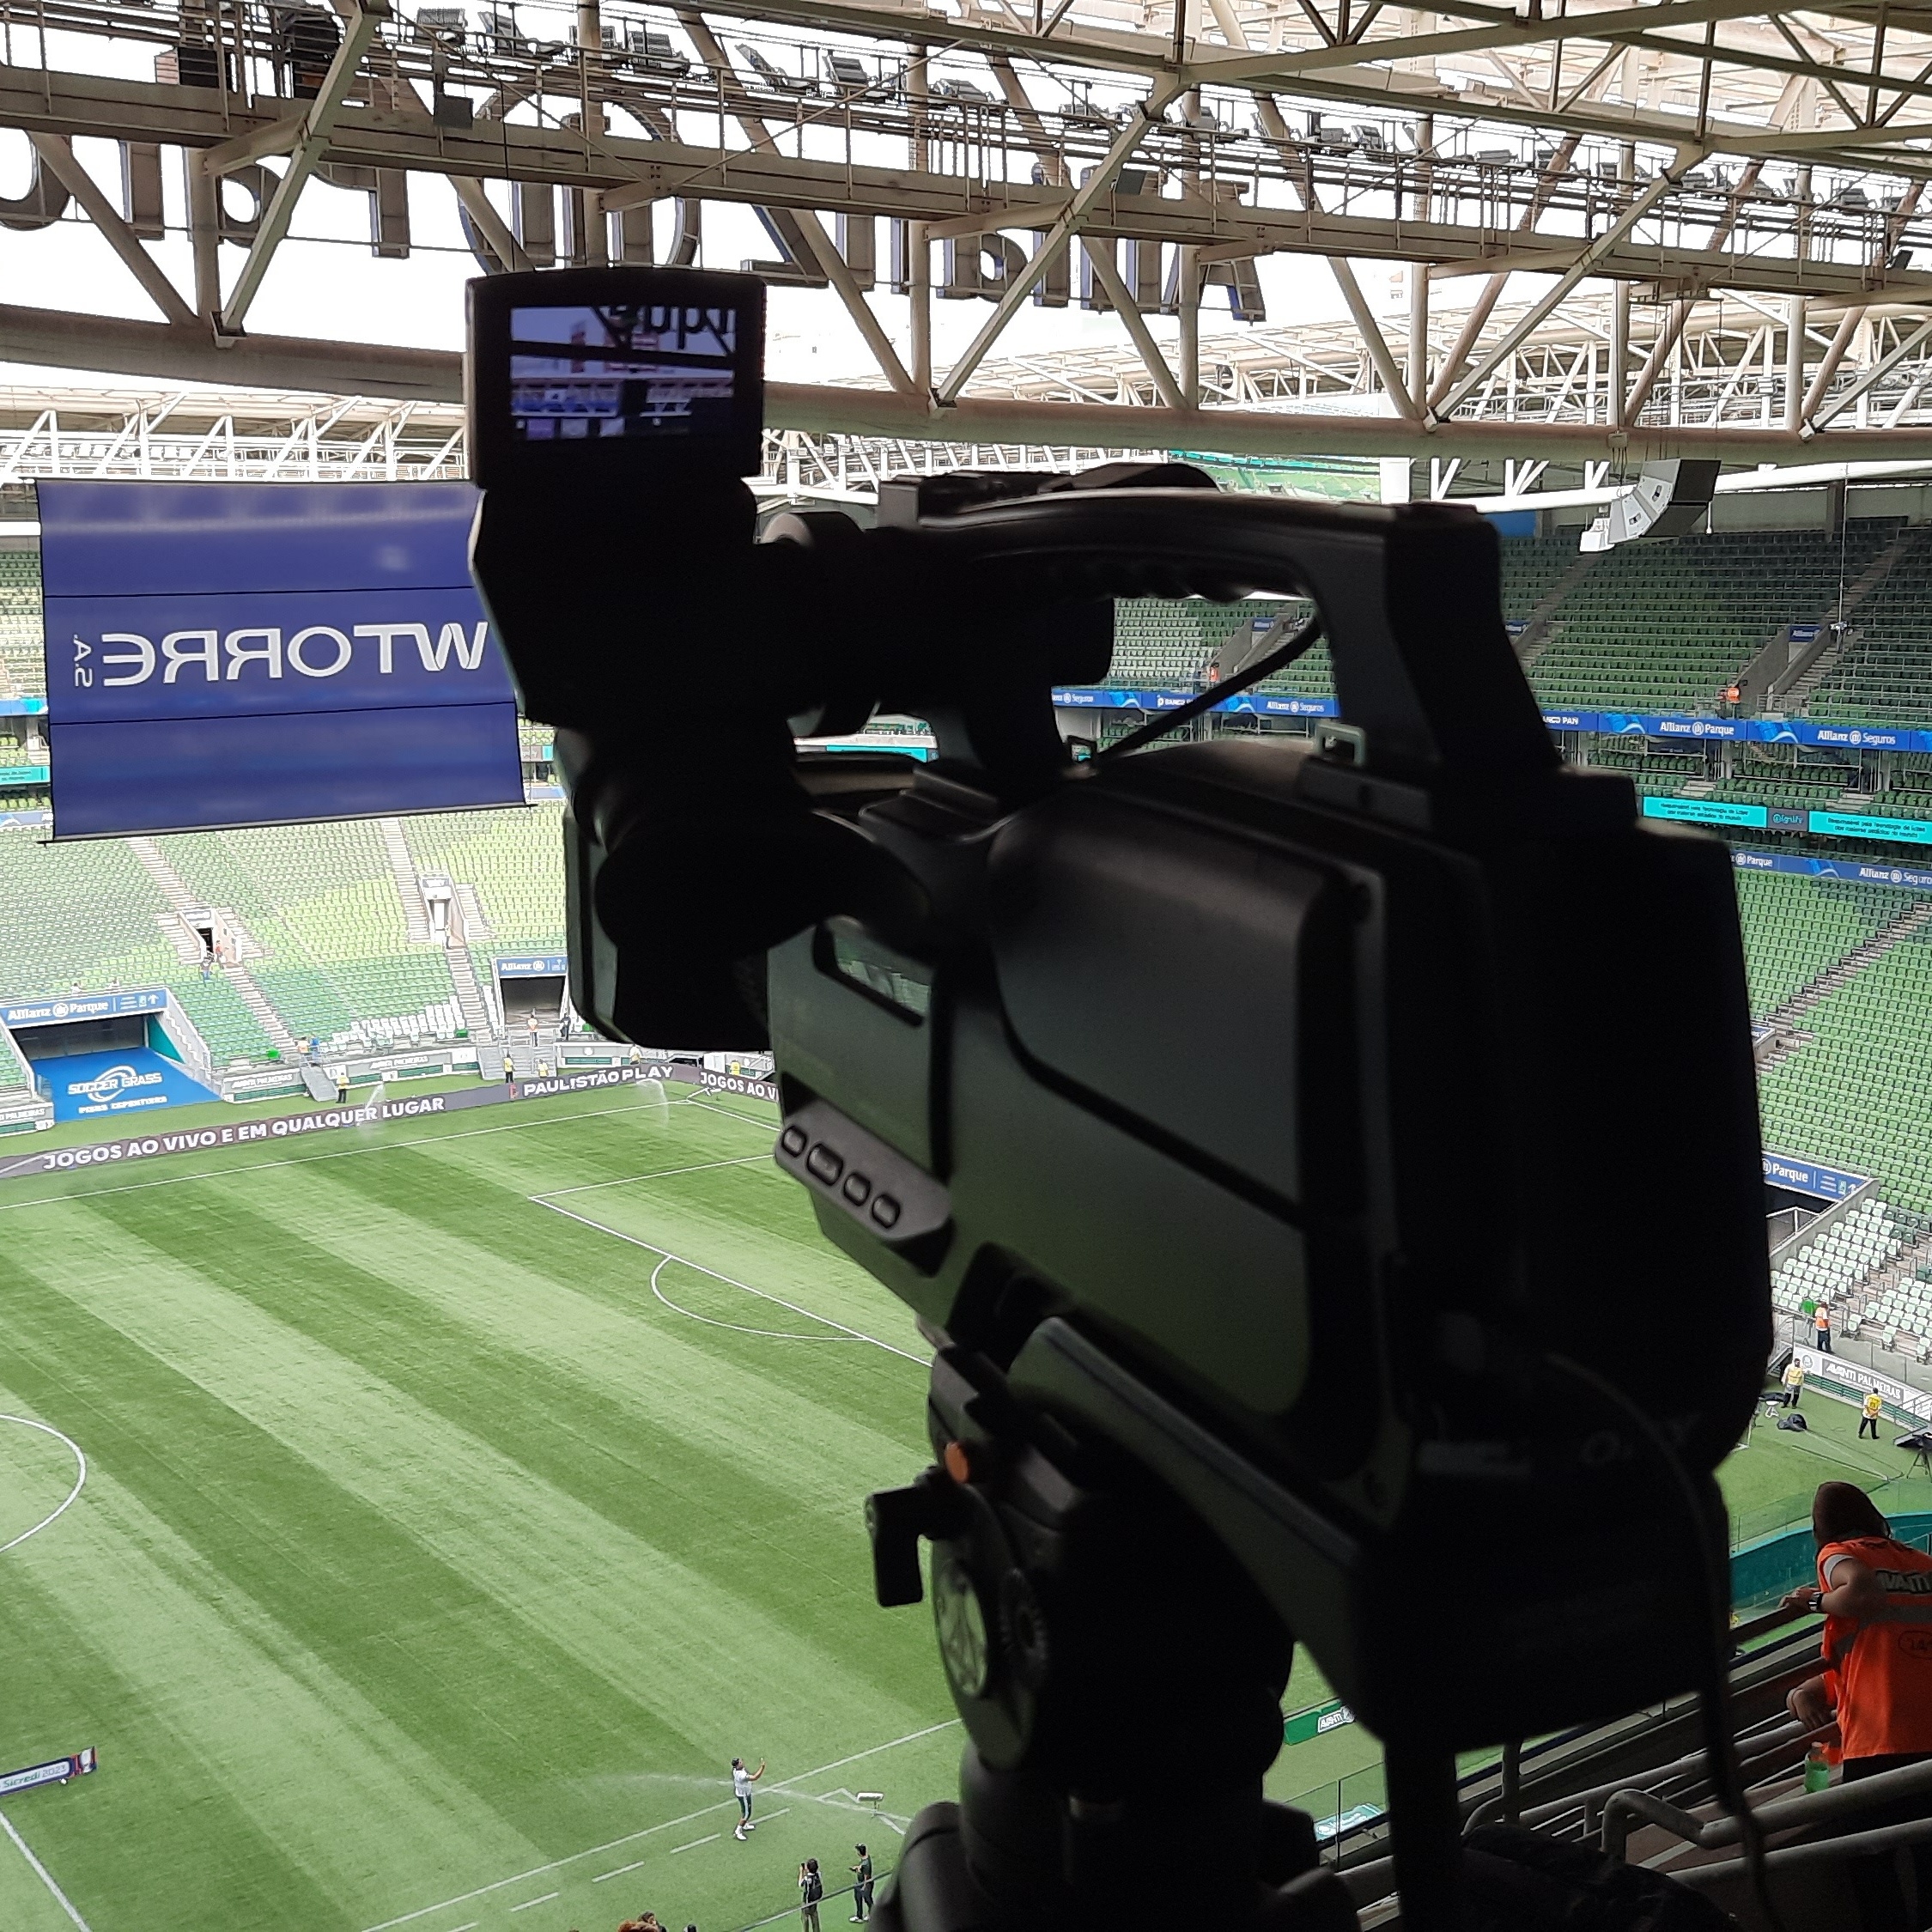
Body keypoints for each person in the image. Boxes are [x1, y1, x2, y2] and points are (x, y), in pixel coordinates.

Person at [1783, 1482, 1932, 1932]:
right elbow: (1891, 1649)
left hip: (1882, 1738)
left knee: (1865, 1854)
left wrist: (1810, 1600)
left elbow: (1863, 1596)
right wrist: (1813, 1688)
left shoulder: (1837, 1553)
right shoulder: (1922, 1562)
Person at [732, 1757, 765, 1839]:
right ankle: (738, 1831)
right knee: (747, 1814)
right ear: (737, 1765)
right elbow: (755, 1777)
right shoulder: (741, 1775)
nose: (742, 1762)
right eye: (740, 1762)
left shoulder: (737, 1770)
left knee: (746, 1811)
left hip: (744, 1793)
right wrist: (762, 1767)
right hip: (744, 1796)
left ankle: (745, 1825)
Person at [849, 1845, 873, 1923]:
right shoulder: (865, 1859)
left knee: (868, 1900)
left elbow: (867, 1876)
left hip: (865, 1884)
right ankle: (859, 1916)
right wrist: (858, 1867)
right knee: (858, 1898)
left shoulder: (866, 1864)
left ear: (860, 1852)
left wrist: (864, 1886)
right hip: (860, 1883)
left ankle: (872, 1915)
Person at [799, 1859, 823, 1932]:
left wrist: (801, 1872)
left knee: (805, 1920)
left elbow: (800, 1884)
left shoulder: (807, 1878)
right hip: (814, 1901)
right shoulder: (818, 1874)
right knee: (815, 1919)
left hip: (806, 1903)